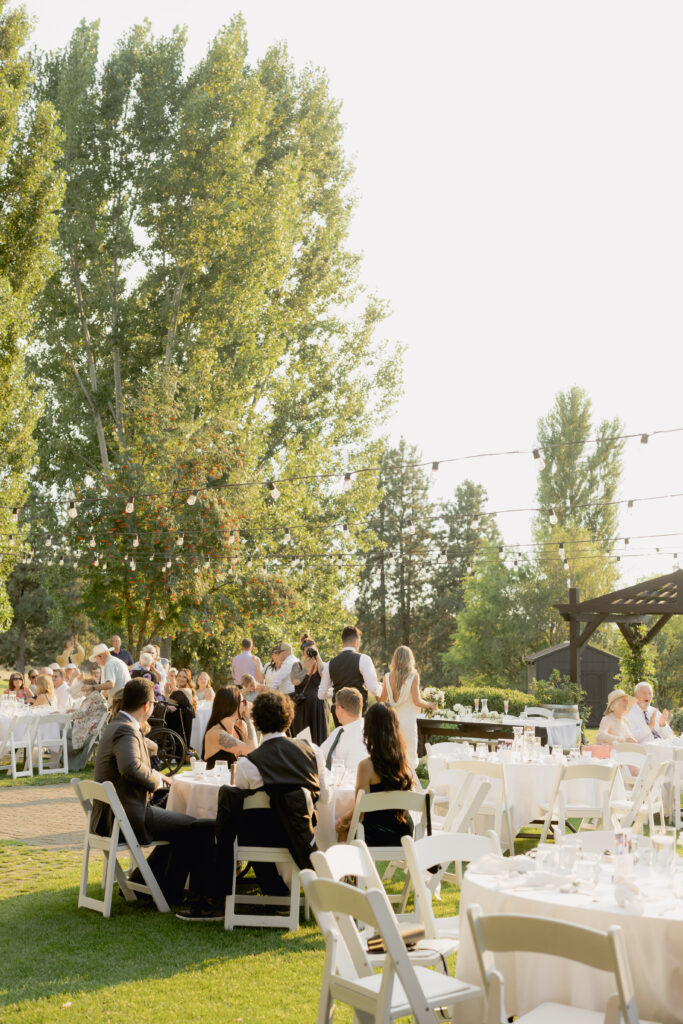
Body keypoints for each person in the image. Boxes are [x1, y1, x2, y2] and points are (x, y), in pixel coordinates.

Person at [92, 678, 219, 915]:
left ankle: (156, 888)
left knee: (180, 824)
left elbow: (129, 765)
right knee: (198, 826)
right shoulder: (125, 729)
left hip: (113, 815)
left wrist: (155, 774)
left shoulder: (117, 724)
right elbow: (129, 768)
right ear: (147, 706)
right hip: (128, 816)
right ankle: (205, 899)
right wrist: (157, 780)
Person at [335, 702, 415, 846]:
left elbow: (360, 811)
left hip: (376, 833)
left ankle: (344, 868)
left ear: (369, 730)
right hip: (404, 832)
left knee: (342, 827)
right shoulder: (404, 762)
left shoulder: (366, 766)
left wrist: (344, 819)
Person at [378, 645, 436, 769]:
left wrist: (380, 688)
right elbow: (417, 701)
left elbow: (382, 700)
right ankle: (408, 782)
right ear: (409, 659)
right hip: (408, 721)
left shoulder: (387, 677)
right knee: (409, 757)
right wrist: (430, 705)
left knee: (394, 753)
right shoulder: (413, 676)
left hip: (392, 720)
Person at [318, 626, 380, 725]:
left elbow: (321, 695)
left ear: (343, 641)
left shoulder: (330, 664)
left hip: (339, 713)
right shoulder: (364, 659)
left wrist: (334, 692)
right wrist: (382, 689)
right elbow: (373, 688)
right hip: (358, 712)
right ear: (356, 642)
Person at [202, 686, 256, 770]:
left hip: (236, 782)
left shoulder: (241, 726)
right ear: (233, 704)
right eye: (243, 702)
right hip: (216, 781)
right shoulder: (215, 733)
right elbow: (251, 749)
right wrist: (249, 719)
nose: (246, 705)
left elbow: (254, 755)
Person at [320, 687, 367, 775]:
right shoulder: (339, 731)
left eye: (335, 706)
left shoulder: (361, 736)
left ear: (340, 710)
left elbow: (355, 773)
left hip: (346, 785)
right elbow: (320, 753)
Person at [291, 645, 329, 745]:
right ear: (303, 652)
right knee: (302, 735)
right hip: (302, 706)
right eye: (308, 650)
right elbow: (295, 681)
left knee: (319, 736)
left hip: (318, 706)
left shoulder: (321, 664)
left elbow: (325, 676)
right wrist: (306, 668)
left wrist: (318, 656)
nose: (310, 652)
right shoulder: (297, 665)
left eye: (312, 649)